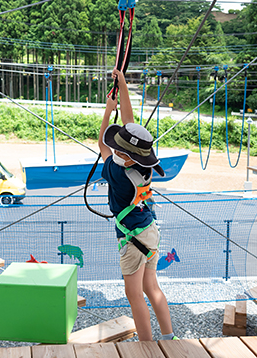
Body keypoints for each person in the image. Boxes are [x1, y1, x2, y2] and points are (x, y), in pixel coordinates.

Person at [98, 68, 176, 342]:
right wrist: (123, 86)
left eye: (120, 150)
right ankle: (168, 339)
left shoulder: (117, 174)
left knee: (134, 296)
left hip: (132, 239)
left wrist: (108, 112)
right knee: (151, 288)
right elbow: (131, 126)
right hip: (149, 231)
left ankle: (146, 347)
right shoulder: (143, 168)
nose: (116, 151)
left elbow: (102, 146)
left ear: (127, 157)